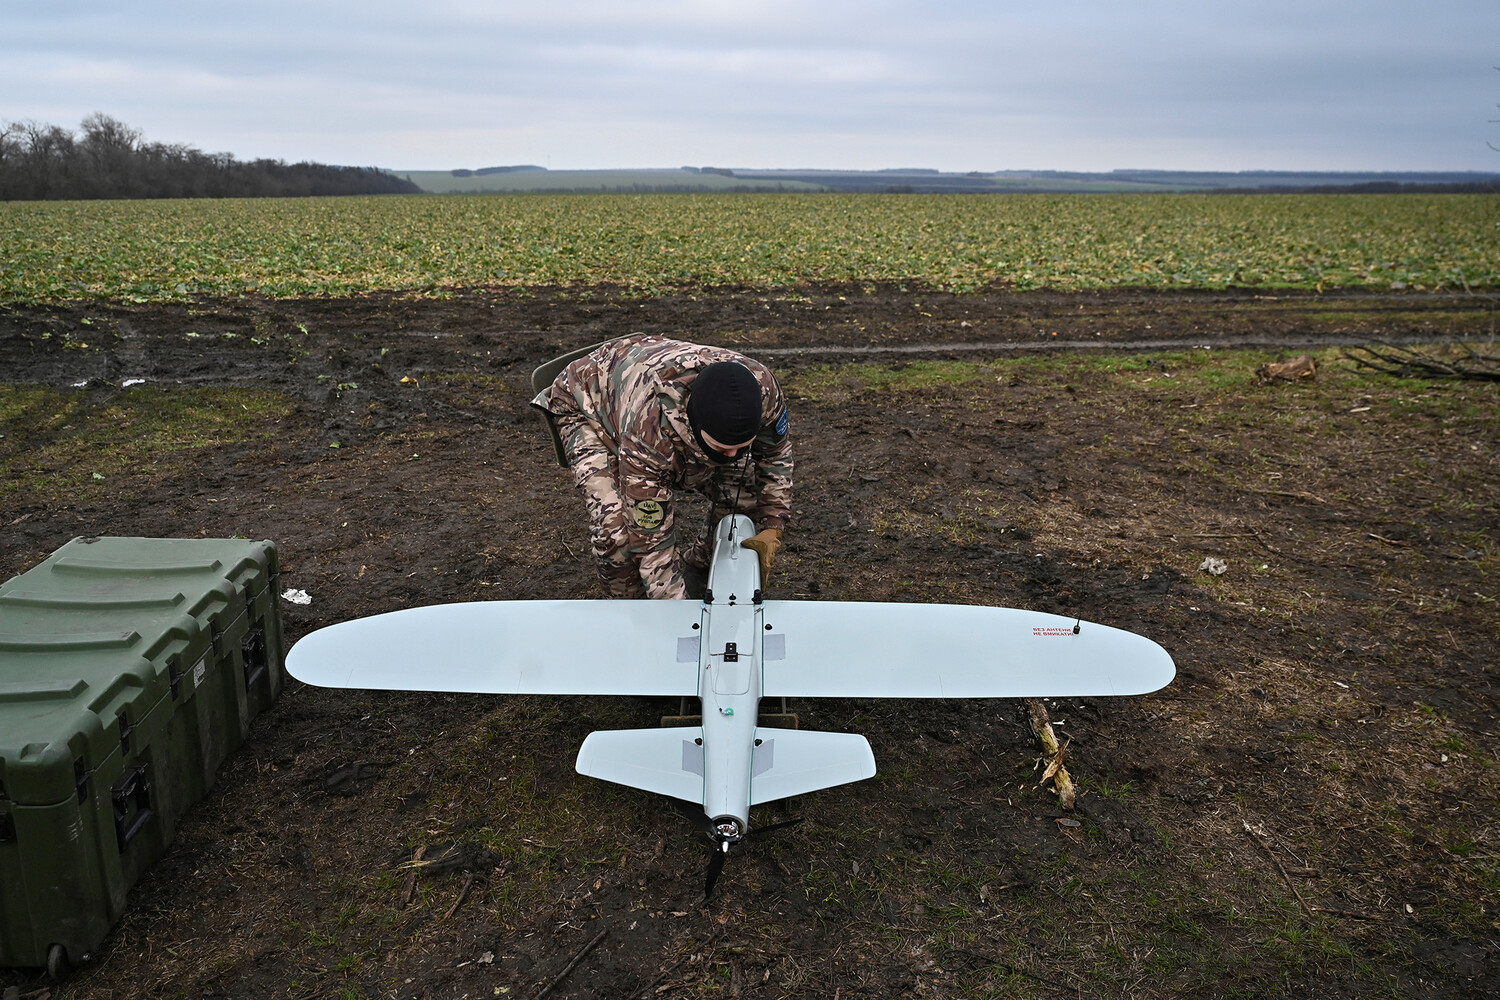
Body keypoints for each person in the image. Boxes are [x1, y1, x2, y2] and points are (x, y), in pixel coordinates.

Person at [531, 335, 792, 600]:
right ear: (696, 426)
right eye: (722, 448)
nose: (732, 455)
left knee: (743, 488)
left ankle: (703, 569)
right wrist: (674, 620)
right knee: (616, 534)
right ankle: (628, 611)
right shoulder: (650, 434)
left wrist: (773, 523)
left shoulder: (764, 392)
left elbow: (775, 455)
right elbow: (651, 541)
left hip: (635, 375)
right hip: (587, 403)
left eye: (742, 446)